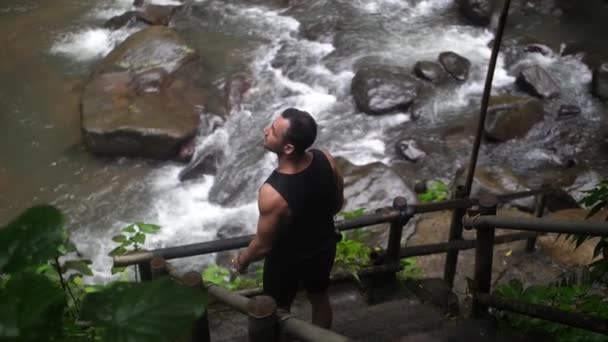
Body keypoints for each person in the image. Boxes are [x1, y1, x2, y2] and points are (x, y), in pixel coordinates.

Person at [232, 107, 344, 329]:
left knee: (278, 309)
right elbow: (337, 204)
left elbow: (262, 247)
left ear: (288, 148)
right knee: (319, 298)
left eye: (272, 131)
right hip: (323, 246)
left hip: (286, 261)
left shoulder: (273, 193)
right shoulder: (326, 159)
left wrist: (242, 260)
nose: (265, 131)